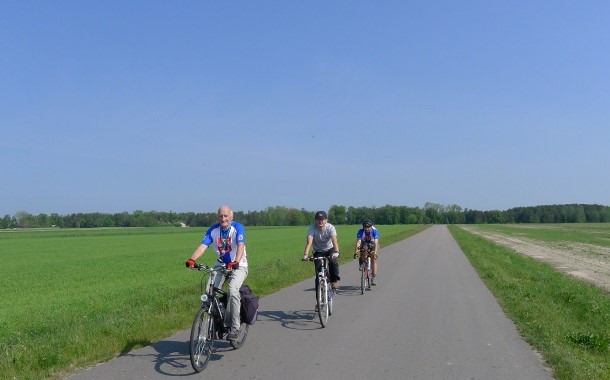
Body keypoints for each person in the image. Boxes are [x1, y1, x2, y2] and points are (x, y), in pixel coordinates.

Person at [186, 205, 248, 341]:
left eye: (226, 216)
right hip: (221, 265)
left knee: (232, 291)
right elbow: (203, 246)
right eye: (221, 216)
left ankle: (235, 327)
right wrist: (192, 259)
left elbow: (241, 245)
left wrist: (236, 261)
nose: (223, 218)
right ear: (217, 217)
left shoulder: (237, 228)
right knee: (209, 292)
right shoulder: (213, 230)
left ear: (231, 217)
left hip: (239, 265)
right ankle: (215, 325)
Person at [302, 211, 341, 296]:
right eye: (318, 219)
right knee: (318, 274)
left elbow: (334, 241)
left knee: (333, 262)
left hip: (329, 249)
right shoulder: (312, 228)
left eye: (322, 219)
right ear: (315, 220)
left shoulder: (330, 227)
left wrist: (337, 252)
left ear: (326, 220)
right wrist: (305, 255)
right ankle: (318, 302)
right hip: (318, 251)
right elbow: (309, 242)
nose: (320, 221)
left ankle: (334, 281)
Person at [354, 219, 380, 285]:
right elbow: (358, 242)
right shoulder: (361, 231)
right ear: (363, 227)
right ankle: (362, 261)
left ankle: (374, 277)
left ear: (371, 227)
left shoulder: (374, 231)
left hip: (372, 243)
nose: (367, 229)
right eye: (365, 227)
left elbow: (376, 243)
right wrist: (356, 252)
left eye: (368, 227)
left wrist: (375, 253)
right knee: (363, 250)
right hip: (364, 242)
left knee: (374, 258)